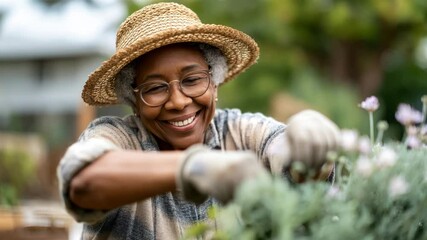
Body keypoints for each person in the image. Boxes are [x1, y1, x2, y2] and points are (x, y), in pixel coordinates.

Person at [57, 2, 340, 239]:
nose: (178, 101)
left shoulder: (240, 132)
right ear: (134, 102)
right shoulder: (118, 138)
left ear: (214, 83)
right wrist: (193, 166)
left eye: (192, 80)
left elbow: (287, 154)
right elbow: (83, 182)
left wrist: (307, 135)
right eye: (155, 88)